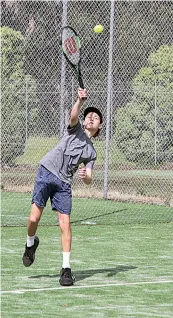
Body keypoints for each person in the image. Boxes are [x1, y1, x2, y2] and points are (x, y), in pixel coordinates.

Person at [22, 88, 103, 286]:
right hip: (46, 171)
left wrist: (85, 176)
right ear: (84, 122)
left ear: (99, 128)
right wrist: (79, 101)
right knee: (34, 218)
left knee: (65, 224)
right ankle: (30, 244)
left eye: (96, 117)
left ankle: (66, 269)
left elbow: (89, 178)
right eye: (89, 115)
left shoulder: (91, 153)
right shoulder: (74, 128)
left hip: (64, 184)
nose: (91, 117)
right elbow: (73, 114)